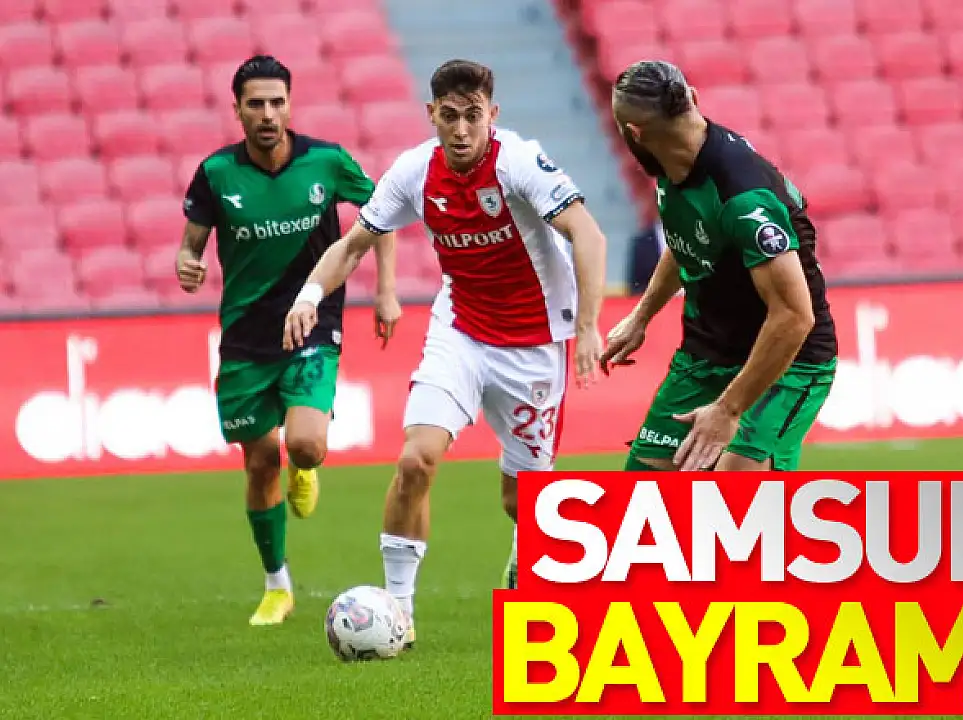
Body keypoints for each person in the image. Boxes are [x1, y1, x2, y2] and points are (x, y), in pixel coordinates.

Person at [282, 59, 609, 641]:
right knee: (416, 460)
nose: (461, 130)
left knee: (523, 500)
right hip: (460, 331)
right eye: (450, 116)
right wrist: (309, 295)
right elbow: (354, 244)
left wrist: (587, 325)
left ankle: (524, 551)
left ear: (492, 115)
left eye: (473, 116)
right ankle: (398, 611)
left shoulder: (518, 162)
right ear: (431, 113)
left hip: (535, 343)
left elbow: (587, 233)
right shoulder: (415, 171)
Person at [176, 55, 399, 626]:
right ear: (238, 110)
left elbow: (383, 216)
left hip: (312, 322)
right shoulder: (216, 174)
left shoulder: (326, 161)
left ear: (290, 105)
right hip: (245, 337)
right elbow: (191, 244)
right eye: (256, 104)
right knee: (258, 464)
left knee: (304, 445)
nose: (268, 114)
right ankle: (278, 585)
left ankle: (305, 466)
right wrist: (187, 263)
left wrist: (385, 292)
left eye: (277, 102)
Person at [599, 60, 838, 473]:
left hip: (785, 360)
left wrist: (727, 410)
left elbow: (795, 316)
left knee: (734, 493)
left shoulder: (742, 195)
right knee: (643, 495)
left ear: (634, 134)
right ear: (692, 98)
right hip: (708, 353)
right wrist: (641, 316)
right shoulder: (674, 165)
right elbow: (687, 238)